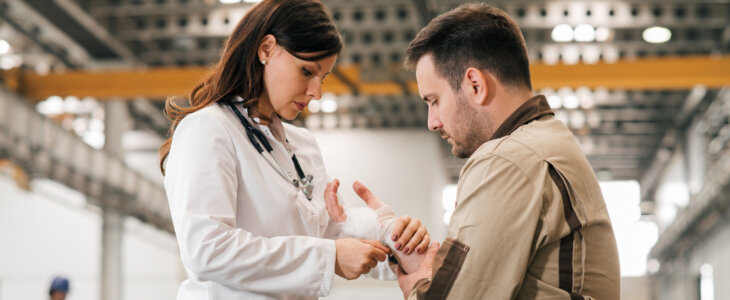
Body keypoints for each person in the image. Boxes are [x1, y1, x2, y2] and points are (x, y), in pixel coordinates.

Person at [159, 0, 429, 299]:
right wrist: (328, 257)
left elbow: (328, 234)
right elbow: (207, 249)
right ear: (267, 50)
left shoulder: (303, 146)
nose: (316, 92)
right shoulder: (209, 129)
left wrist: (392, 235)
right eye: (306, 72)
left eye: (322, 78)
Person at [390, 3, 621, 299]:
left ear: (475, 85)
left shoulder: (507, 160)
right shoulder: (547, 142)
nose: (432, 122)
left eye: (434, 101)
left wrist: (418, 284)